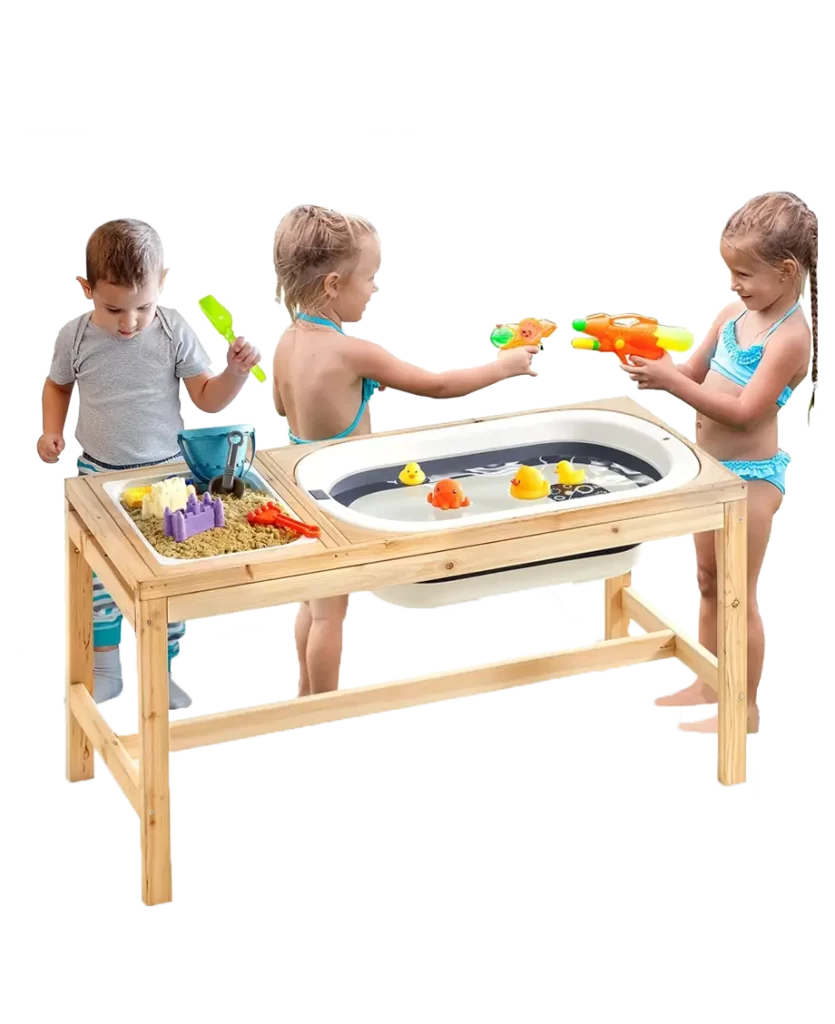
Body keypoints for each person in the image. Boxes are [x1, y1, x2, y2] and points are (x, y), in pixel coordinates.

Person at [270, 203, 542, 697]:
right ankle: (320, 709)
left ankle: (302, 694)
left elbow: (283, 407)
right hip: (336, 494)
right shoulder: (354, 351)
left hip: (298, 485)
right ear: (333, 284)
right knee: (333, 612)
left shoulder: (288, 340)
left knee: (311, 604)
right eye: (370, 278)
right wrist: (506, 367)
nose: (374, 289)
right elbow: (438, 386)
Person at [37, 217, 263, 711]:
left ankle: (161, 667)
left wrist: (235, 373)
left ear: (163, 281)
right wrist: (50, 430)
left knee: (172, 573)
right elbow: (57, 386)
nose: (128, 322)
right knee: (100, 576)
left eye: (142, 306)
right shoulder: (72, 337)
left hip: (167, 475)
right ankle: (105, 666)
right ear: (86, 288)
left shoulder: (172, 328)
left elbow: (207, 400)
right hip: (99, 475)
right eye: (113, 307)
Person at [622, 190, 817, 735]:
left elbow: (741, 412)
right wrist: (655, 363)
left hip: (750, 480)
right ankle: (709, 681)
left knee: (737, 590)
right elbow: (693, 372)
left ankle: (744, 707)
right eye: (730, 272)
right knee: (707, 580)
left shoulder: (791, 339)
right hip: (707, 471)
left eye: (745, 274)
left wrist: (672, 384)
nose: (735, 285)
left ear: (786, 270)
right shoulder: (732, 313)